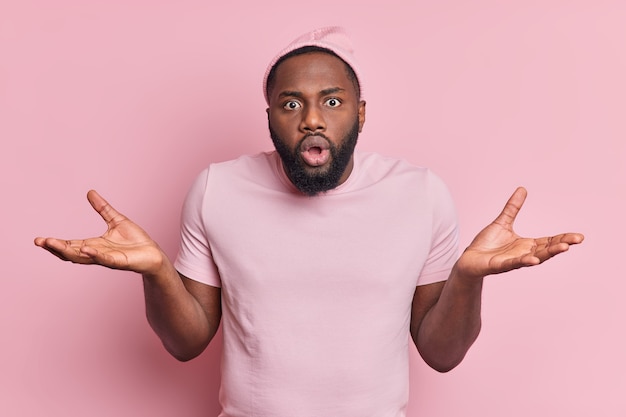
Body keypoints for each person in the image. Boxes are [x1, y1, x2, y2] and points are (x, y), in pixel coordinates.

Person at [34, 27, 584, 417]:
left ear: (361, 112)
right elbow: (187, 343)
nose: (313, 118)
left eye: (333, 100)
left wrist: (467, 277)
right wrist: (155, 271)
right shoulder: (217, 188)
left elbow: (441, 355)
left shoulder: (420, 194)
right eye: (291, 103)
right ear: (270, 114)